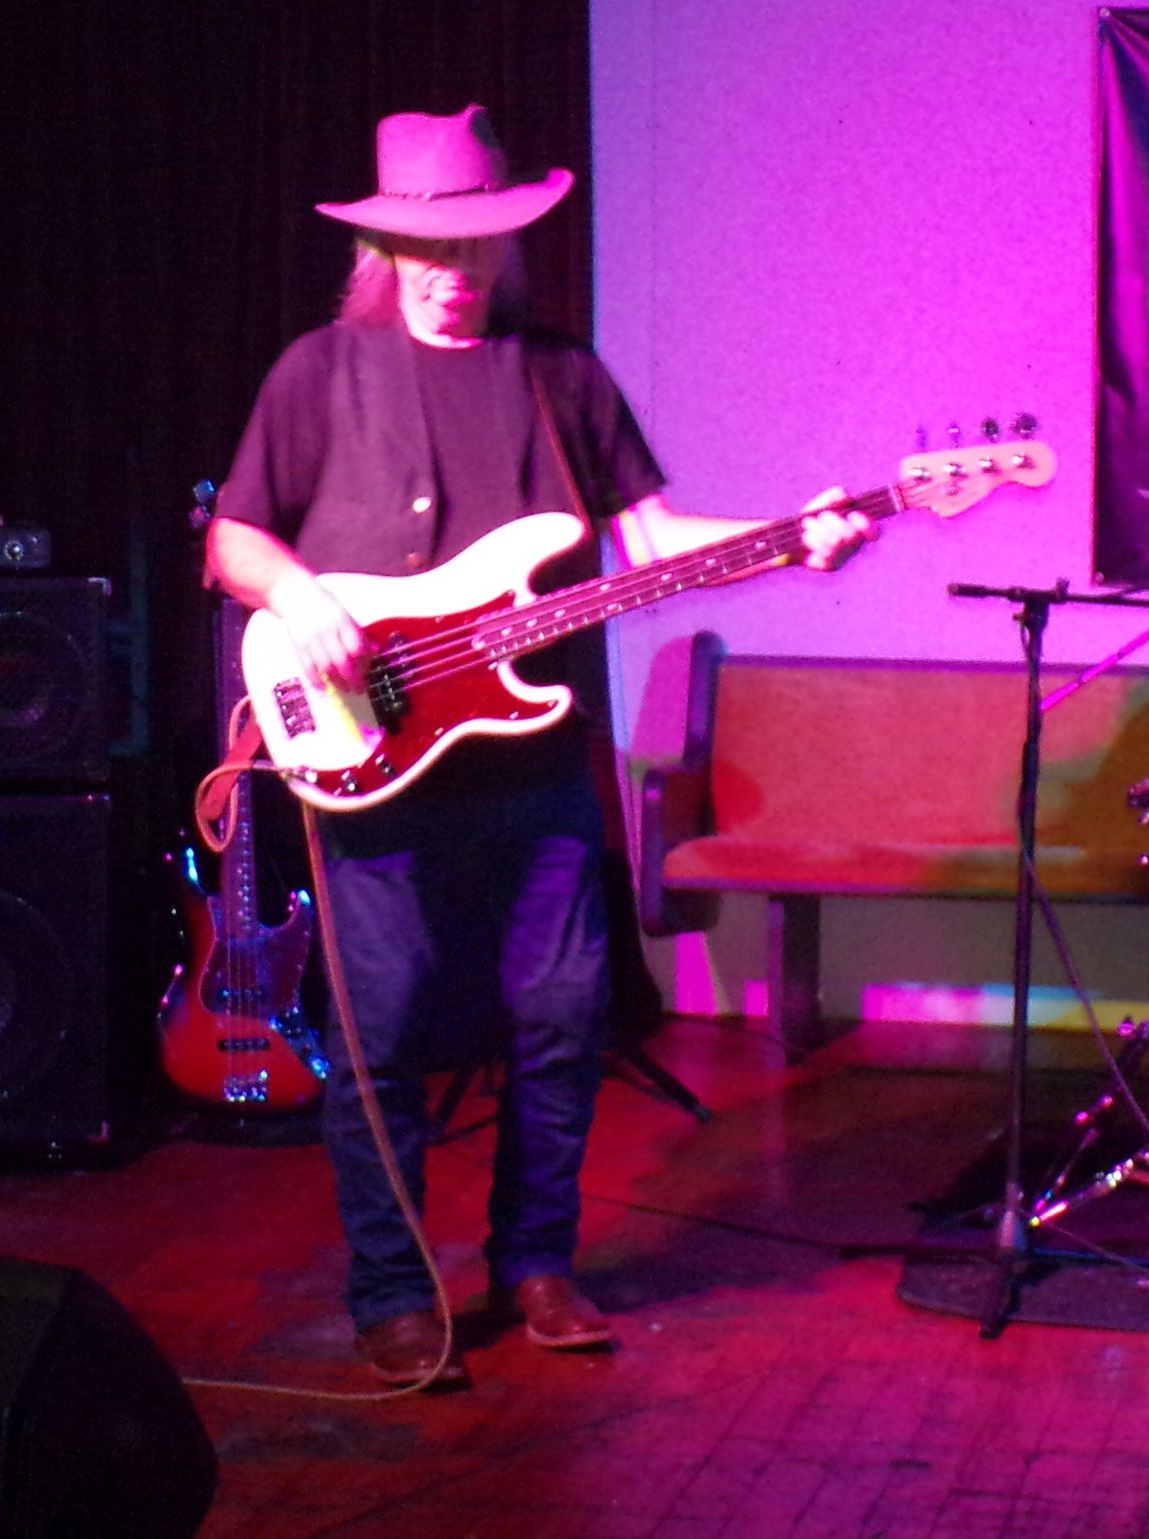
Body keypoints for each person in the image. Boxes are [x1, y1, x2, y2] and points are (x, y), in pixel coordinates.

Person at [204, 104, 874, 1389]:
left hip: (533, 763)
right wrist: (302, 597)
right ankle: (395, 1293)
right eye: (425, 253)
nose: (451, 277)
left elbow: (654, 540)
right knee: (383, 1033)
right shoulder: (317, 372)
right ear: (383, 251)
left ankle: (537, 1264)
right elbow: (236, 539)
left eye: (473, 250)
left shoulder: (558, 376)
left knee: (563, 1016)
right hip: (369, 761)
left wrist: (796, 537)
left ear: (508, 243)